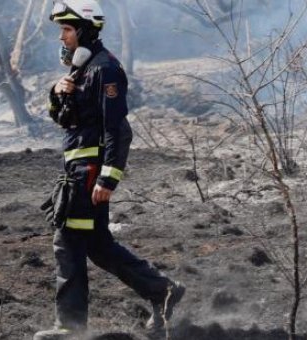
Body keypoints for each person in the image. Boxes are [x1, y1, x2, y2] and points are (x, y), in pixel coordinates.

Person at [34, 1, 185, 339]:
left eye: (67, 30)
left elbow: (118, 129)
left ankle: (69, 329)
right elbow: (66, 121)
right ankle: (162, 291)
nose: (62, 38)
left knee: (68, 242)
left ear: (85, 30)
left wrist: (107, 176)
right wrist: (56, 94)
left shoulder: (106, 70)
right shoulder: (81, 71)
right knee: (98, 244)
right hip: (77, 169)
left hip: (88, 172)